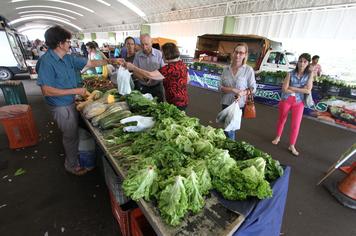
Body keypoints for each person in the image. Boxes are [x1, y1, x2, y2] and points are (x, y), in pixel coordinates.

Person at [36, 25, 114, 175]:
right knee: (70, 136)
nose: (69, 44)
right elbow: (46, 90)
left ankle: (75, 157)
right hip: (61, 106)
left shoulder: (67, 58)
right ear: (60, 43)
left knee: (73, 132)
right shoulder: (47, 62)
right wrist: (76, 91)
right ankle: (71, 165)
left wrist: (111, 61)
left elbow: (90, 63)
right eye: (67, 41)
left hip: (70, 101)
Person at [125, 42, 189, 110]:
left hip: (175, 102)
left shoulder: (169, 68)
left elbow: (150, 74)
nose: (162, 55)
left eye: (162, 53)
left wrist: (133, 67)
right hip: (183, 99)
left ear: (167, 54)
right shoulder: (181, 64)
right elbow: (188, 79)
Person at [271, 53, 313, 156]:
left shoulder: (309, 75)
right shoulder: (290, 73)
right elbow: (284, 89)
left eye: (305, 61)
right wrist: (300, 89)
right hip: (286, 100)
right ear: (297, 61)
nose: (302, 63)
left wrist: (293, 88)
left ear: (308, 63)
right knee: (282, 119)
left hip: (299, 103)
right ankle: (278, 137)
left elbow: (308, 90)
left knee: (296, 125)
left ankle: (292, 145)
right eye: (300, 61)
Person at [220, 43, 256, 140]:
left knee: (229, 129)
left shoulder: (248, 70)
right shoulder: (226, 69)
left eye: (241, 53)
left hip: (238, 104)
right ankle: (228, 147)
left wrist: (242, 93)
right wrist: (232, 89)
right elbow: (220, 87)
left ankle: (230, 148)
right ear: (233, 53)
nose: (238, 55)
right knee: (227, 128)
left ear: (245, 55)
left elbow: (253, 88)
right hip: (225, 102)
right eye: (236, 52)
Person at [133, 34, 165, 102]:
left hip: (157, 87)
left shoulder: (159, 54)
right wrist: (145, 79)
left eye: (146, 44)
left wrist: (153, 78)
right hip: (143, 87)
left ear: (151, 42)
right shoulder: (137, 55)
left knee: (159, 107)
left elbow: (164, 72)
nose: (144, 47)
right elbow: (135, 71)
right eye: (142, 44)